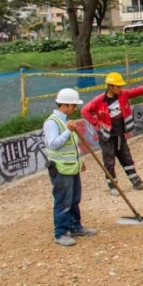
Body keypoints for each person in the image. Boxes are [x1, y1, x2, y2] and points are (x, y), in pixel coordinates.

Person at [81, 72, 143, 195]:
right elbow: (84, 111)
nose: (120, 88)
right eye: (118, 86)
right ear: (110, 86)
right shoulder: (99, 100)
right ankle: (113, 186)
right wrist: (97, 123)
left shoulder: (123, 95)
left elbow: (137, 91)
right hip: (107, 137)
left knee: (126, 158)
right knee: (109, 161)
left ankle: (137, 182)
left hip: (120, 134)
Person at [44, 88, 96, 247]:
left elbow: (71, 146)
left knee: (74, 199)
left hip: (71, 166)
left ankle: (75, 227)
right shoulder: (52, 122)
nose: (75, 109)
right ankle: (61, 233)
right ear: (64, 105)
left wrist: (79, 161)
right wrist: (68, 131)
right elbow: (54, 144)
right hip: (60, 169)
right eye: (73, 105)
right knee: (63, 201)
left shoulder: (67, 121)